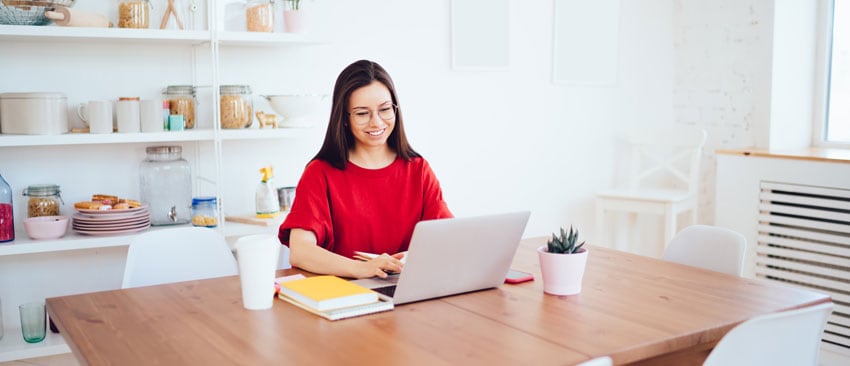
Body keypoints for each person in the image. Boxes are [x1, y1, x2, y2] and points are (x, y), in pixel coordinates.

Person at [278, 60, 453, 279]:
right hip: (346, 294)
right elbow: (300, 251)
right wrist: (361, 269)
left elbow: (447, 237)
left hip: (409, 291)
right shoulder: (320, 173)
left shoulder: (418, 169)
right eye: (362, 113)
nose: (376, 122)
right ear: (344, 118)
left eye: (385, 110)